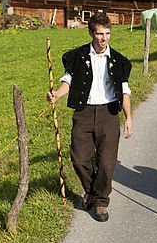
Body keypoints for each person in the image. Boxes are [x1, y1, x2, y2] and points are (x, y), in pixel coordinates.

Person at [46, 12, 133, 223]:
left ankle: (101, 202)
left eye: (108, 33)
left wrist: (128, 117)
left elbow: (125, 91)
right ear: (91, 33)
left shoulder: (120, 61)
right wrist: (56, 94)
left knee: (106, 162)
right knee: (79, 158)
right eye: (100, 34)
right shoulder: (77, 56)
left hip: (109, 114)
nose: (104, 39)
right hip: (83, 113)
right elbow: (68, 80)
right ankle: (92, 190)